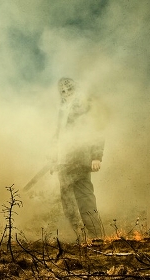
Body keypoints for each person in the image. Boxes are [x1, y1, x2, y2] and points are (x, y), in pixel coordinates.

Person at [52, 77, 105, 239]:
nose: (66, 93)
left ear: (76, 90)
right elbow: (58, 136)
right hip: (63, 162)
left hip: (80, 159)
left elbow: (97, 131)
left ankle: (96, 236)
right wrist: (53, 159)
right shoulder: (62, 110)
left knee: (85, 198)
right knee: (67, 201)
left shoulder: (85, 107)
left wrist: (96, 156)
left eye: (70, 89)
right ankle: (80, 235)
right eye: (63, 91)